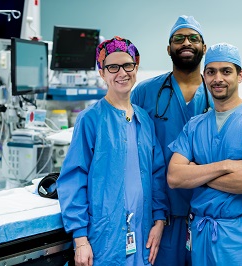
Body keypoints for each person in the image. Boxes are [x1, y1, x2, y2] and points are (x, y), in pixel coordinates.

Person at [56, 36, 169, 266]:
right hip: (104, 237)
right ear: (102, 73)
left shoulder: (144, 120)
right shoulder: (91, 119)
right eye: (113, 67)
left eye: (128, 65)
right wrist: (80, 239)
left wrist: (159, 220)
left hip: (143, 231)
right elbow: (74, 179)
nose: (122, 73)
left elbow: (157, 174)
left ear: (136, 68)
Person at [167, 43, 242, 265]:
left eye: (226, 71)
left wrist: (197, 176)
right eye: (211, 72)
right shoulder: (194, 125)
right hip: (202, 235)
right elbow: (174, 177)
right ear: (204, 77)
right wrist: (227, 165)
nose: (218, 78)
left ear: (240, 75)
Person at [131, 15, 212, 266]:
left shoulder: (219, 94)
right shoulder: (145, 92)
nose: (186, 43)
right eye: (178, 38)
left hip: (207, 212)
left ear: (204, 48)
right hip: (161, 214)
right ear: (169, 48)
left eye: (193, 38)